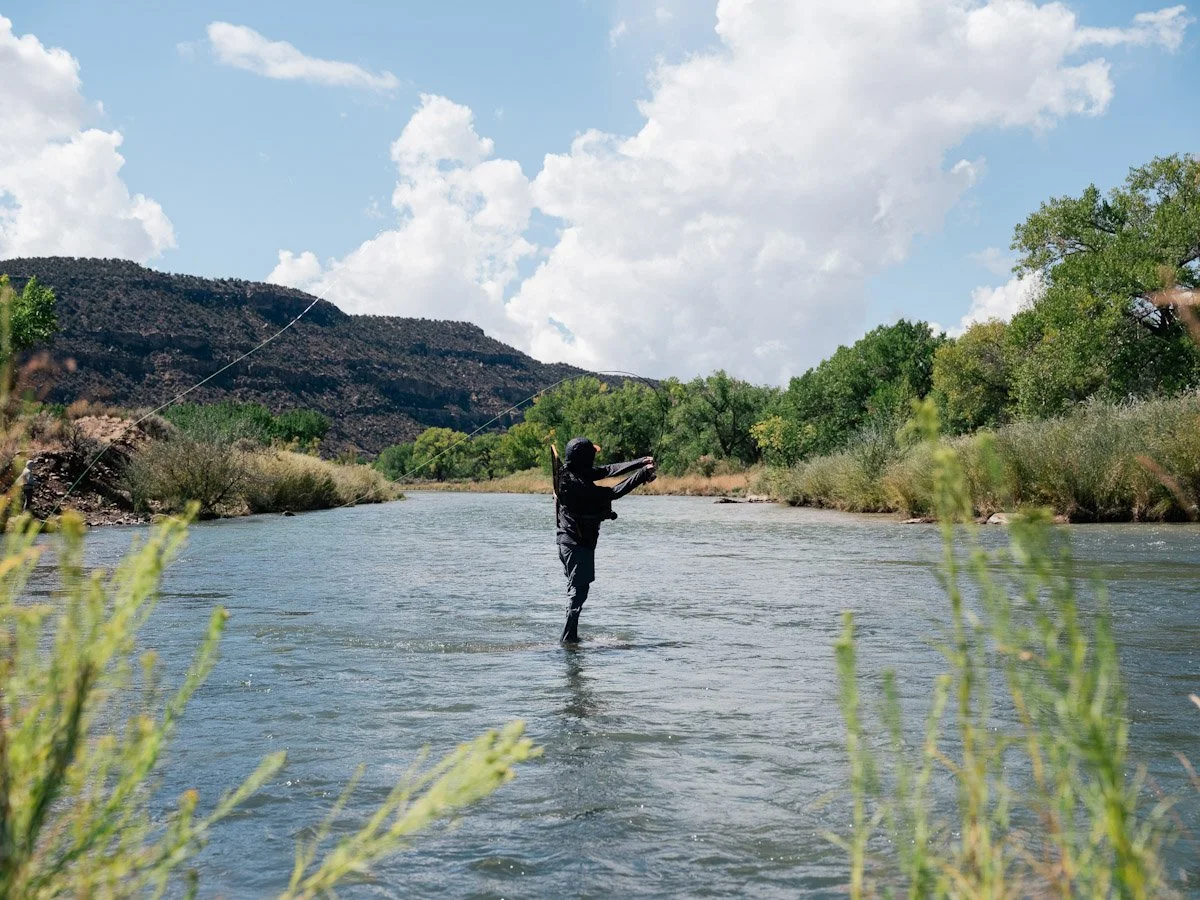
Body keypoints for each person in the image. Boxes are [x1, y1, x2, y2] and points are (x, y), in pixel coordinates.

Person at [554, 437, 656, 644]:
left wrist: (640, 462)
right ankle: (568, 639)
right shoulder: (576, 485)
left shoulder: (571, 473)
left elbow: (608, 470)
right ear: (585, 458)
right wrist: (642, 475)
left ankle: (571, 637)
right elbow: (613, 492)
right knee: (578, 591)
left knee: (578, 589)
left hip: (571, 543)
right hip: (577, 544)